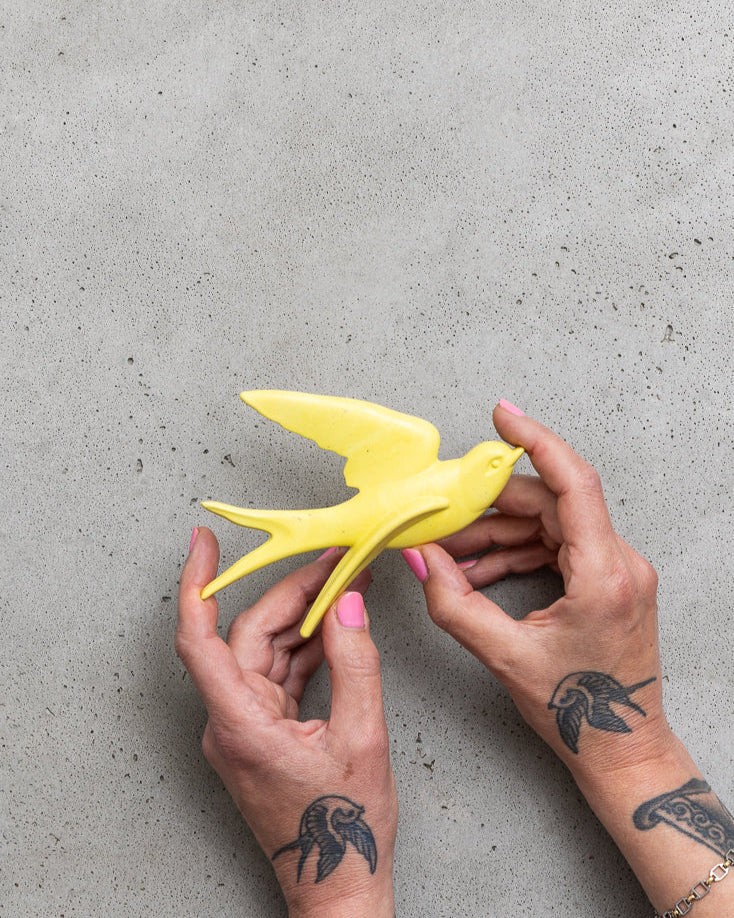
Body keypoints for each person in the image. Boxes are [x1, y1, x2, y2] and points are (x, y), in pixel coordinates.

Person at [176, 401, 733, 918]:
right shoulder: (425, 454)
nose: (503, 468)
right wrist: (637, 754)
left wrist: (341, 898)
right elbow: (385, 526)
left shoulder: (460, 485)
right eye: (495, 463)